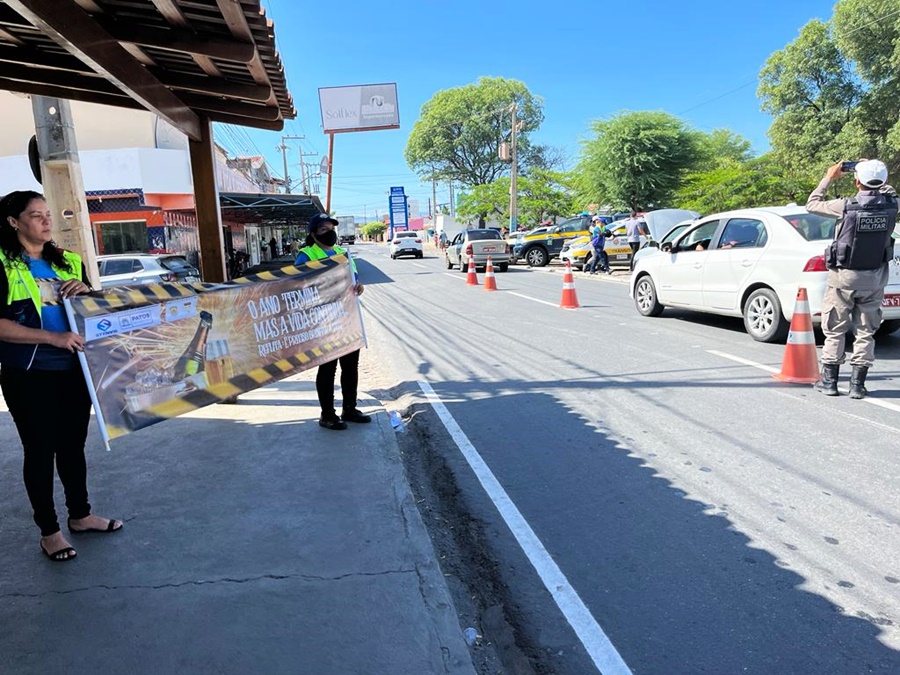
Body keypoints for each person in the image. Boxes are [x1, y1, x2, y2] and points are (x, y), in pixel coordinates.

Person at [0, 190, 123, 563]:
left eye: (47, 214)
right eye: (36, 215)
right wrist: (51, 337)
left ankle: (81, 515)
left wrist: (87, 291)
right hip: (29, 374)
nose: (46, 221)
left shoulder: (67, 260)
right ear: (13, 222)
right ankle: (49, 532)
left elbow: (94, 308)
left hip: (74, 370)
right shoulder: (4, 264)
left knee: (72, 446)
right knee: (40, 451)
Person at [806, 159, 897, 399]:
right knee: (866, 332)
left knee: (835, 331)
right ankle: (858, 386)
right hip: (874, 279)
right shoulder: (893, 204)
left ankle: (831, 383)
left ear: (857, 181)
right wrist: (874, 170)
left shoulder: (845, 206)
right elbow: (887, 190)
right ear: (884, 181)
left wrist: (829, 177)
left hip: (843, 278)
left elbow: (812, 204)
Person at [295, 213, 370, 430]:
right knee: (328, 368)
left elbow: (353, 279)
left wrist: (359, 287)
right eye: (323, 229)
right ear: (313, 234)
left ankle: (349, 408)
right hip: (323, 321)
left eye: (331, 228)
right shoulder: (306, 255)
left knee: (350, 366)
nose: (330, 233)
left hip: (347, 318)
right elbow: (298, 285)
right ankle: (327, 414)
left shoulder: (342, 253)